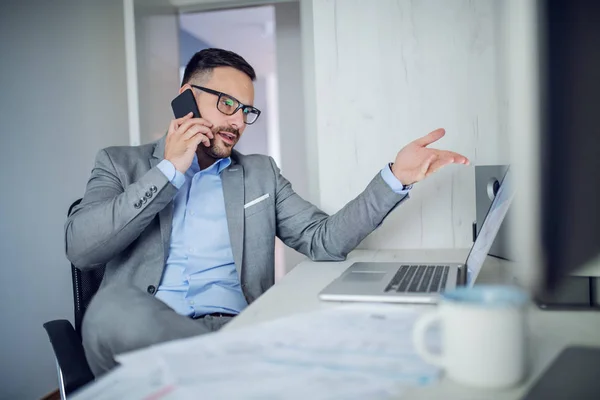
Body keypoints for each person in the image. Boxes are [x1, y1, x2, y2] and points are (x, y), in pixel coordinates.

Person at [65, 48, 469, 376]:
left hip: (240, 328)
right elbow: (81, 248)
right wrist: (169, 170)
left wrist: (396, 176)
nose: (238, 121)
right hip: (148, 335)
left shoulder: (259, 173)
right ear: (185, 97)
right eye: (227, 104)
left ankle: (226, 372)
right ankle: (237, 372)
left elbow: (323, 239)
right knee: (108, 310)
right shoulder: (119, 164)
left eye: (247, 111)